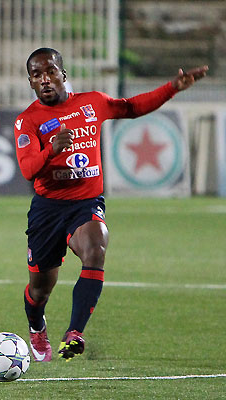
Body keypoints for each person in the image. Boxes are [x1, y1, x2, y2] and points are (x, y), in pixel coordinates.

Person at [14, 47, 207, 362]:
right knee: (40, 290)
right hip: (48, 210)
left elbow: (131, 107)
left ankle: (74, 333)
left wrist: (172, 88)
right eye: (37, 75)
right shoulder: (27, 121)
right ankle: (37, 327)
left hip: (86, 202)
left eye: (50, 72)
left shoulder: (92, 103)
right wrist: (51, 149)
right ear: (31, 83)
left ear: (63, 74)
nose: (45, 80)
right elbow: (26, 169)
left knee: (96, 248)